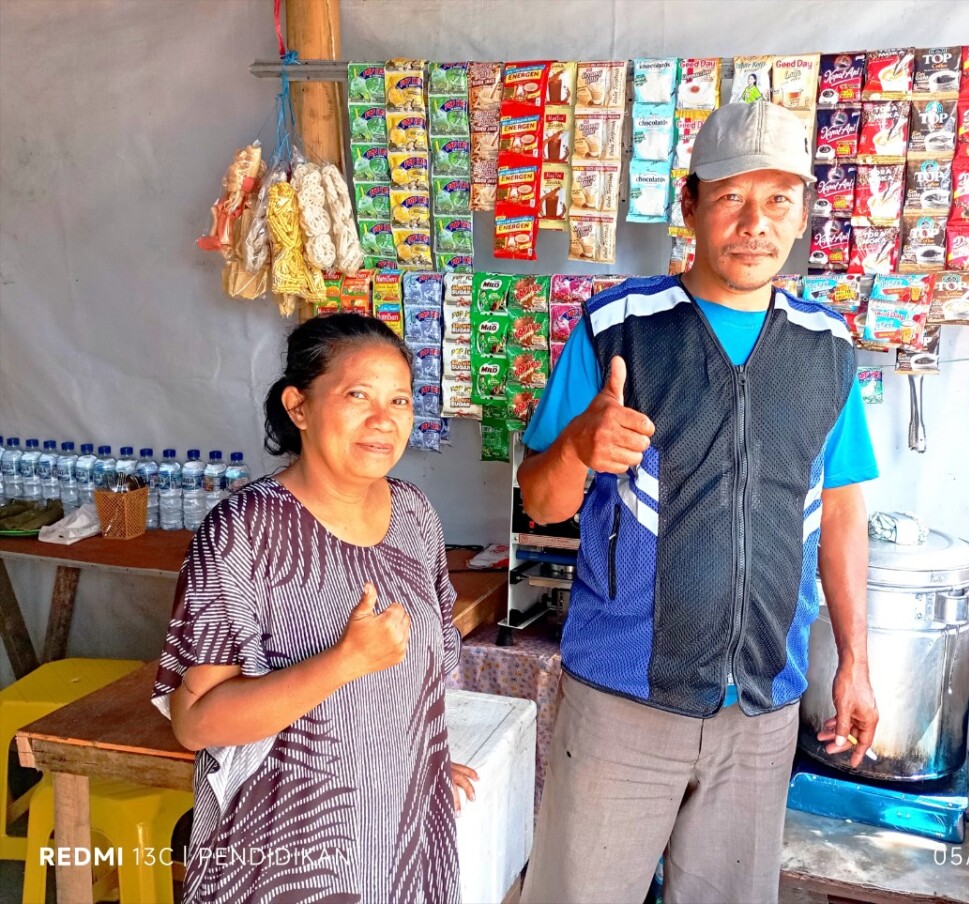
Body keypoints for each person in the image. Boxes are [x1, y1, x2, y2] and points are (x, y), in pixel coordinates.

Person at [517, 101, 880, 904]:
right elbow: (540, 502)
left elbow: (843, 513)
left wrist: (854, 660)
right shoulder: (620, 326)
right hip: (624, 700)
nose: (756, 223)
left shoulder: (828, 347)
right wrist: (578, 445)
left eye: (778, 199)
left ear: (803, 212)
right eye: (730, 198)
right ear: (690, 205)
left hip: (760, 706)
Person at [153, 313, 477, 903]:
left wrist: (427, 758)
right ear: (298, 406)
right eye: (359, 395)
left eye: (400, 400)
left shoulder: (415, 517)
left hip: (400, 841)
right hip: (289, 857)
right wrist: (343, 662)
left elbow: (415, 680)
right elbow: (196, 723)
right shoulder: (244, 531)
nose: (384, 420)